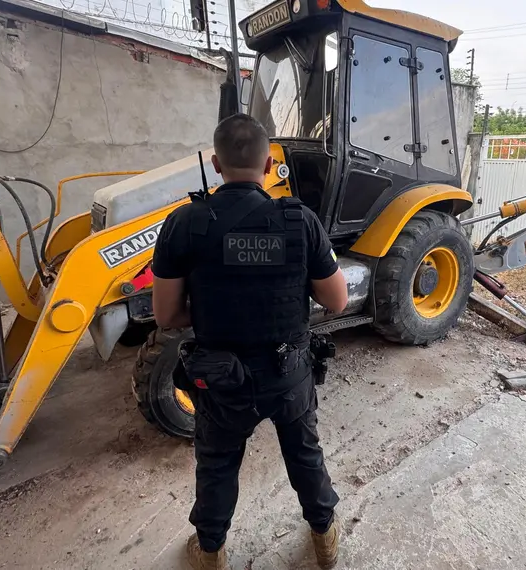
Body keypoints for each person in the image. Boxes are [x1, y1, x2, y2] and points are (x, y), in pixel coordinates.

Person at [151, 113, 348, 570]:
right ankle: (324, 538)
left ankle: (211, 551)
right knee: (304, 454)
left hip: (221, 379)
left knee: (217, 465)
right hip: (288, 374)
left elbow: (166, 315)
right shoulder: (300, 220)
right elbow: (336, 301)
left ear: (216, 164)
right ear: (267, 163)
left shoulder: (184, 223)